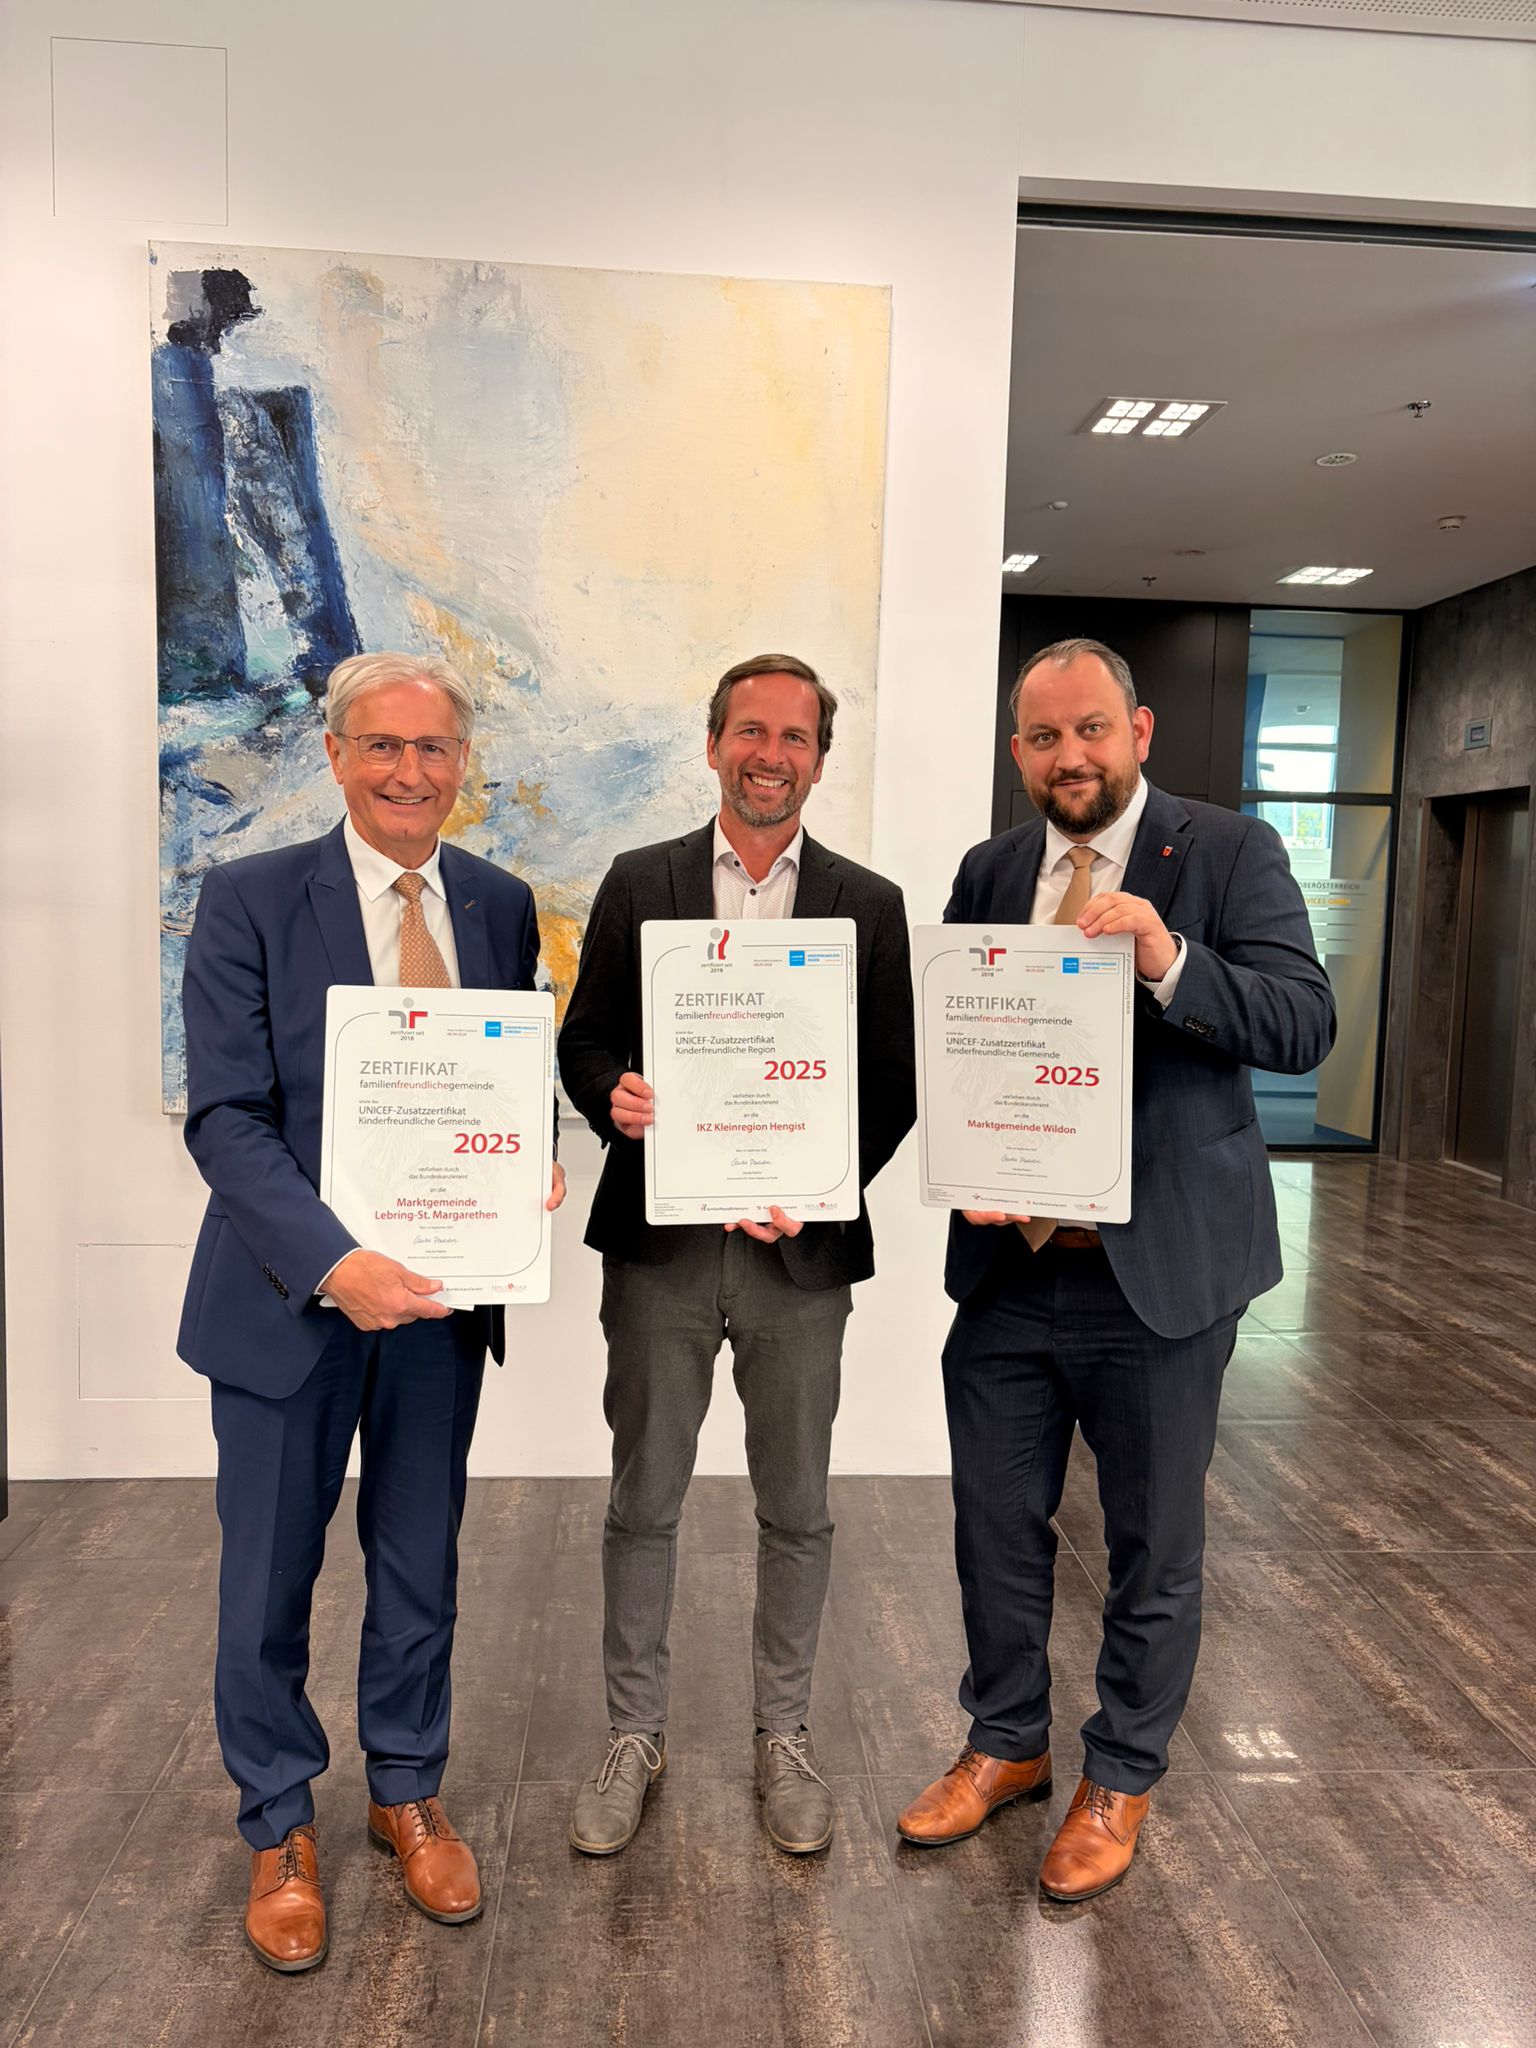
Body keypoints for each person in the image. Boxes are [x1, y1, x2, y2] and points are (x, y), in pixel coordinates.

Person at [897, 637, 1334, 1901]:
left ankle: (1121, 1771)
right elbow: (961, 1042)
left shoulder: (1230, 851)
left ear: (1138, 730)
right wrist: (962, 1147)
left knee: (1152, 1541)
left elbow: (1302, 1021)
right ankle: (1006, 1741)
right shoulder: (991, 869)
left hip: (1161, 1275)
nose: (1069, 754)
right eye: (1043, 736)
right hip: (1010, 1264)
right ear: (1018, 751)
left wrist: (1168, 959)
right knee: (993, 1525)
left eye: (1090, 728)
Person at [178, 651, 564, 1972]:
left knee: (417, 1563)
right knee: (266, 1577)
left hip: (442, 1307)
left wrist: (529, 1160)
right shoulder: (248, 897)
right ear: (337, 756)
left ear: (463, 763)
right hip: (288, 1302)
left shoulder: (500, 903)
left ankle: (406, 1789)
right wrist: (335, 1261)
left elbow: (508, 1075)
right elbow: (227, 1117)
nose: (410, 771)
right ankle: (278, 1823)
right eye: (383, 747)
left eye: (433, 748)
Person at [557, 653, 915, 1858]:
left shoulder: (869, 903)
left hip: (798, 1261)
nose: (772, 754)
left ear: (820, 756)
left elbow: (893, 1084)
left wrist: (817, 1188)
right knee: (643, 1498)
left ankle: (784, 1734)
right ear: (713, 744)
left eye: (795, 736)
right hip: (659, 1248)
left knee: (798, 1506)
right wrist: (613, 1091)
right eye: (750, 731)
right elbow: (585, 1041)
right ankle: (634, 1733)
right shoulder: (639, 879)